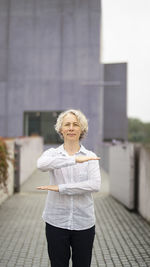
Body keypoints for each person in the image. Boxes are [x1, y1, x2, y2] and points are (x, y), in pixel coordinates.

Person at [36, 109, 101, 267]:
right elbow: (41, 165)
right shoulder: (52, 153)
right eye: (67, 124)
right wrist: (74, 160)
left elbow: (94, 185)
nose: (71, 128)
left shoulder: (91, 155)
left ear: (82, 129)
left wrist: (61, 188)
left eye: (75, 124)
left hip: (84, 223)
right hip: (56, 222)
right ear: (61, 129)